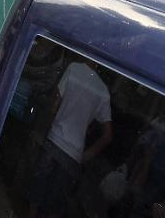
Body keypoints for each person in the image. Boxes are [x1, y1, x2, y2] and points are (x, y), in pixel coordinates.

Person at [27, 61, 114, 218]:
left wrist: (44, 131)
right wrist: (86, 155)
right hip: (73, 155)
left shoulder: (74, 68)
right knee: (54, 205)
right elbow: (107, 136)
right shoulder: (103, 91)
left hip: (54, 140)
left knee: (36, 195)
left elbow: (55, 104)